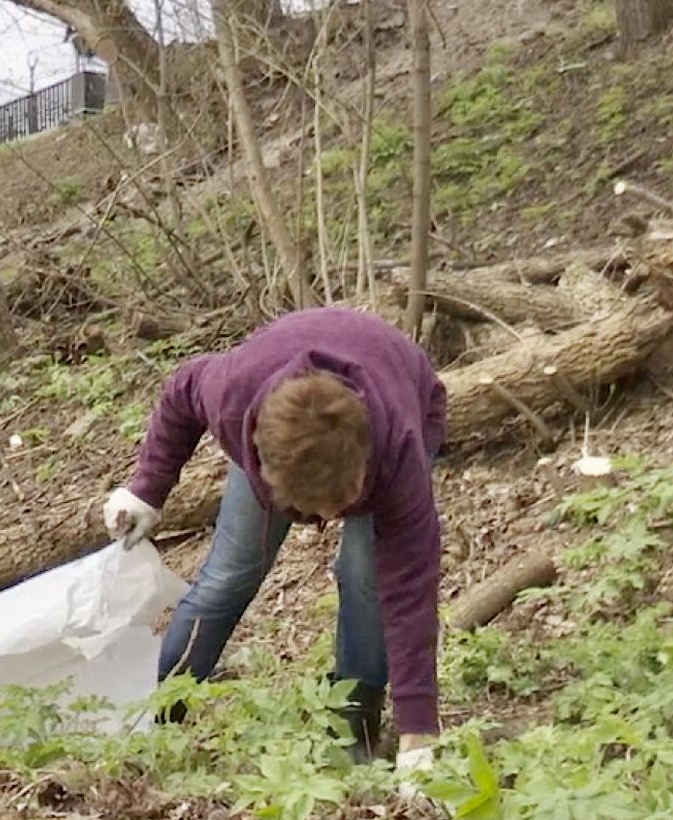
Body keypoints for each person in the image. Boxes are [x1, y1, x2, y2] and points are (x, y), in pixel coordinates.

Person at [102, 307, 446, 773]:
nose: (327, 520)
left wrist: (419, 734)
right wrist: (146, 489)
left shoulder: (398, 451)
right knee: (231, 572)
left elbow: (410, 594)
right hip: (275, 399)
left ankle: (353, 719)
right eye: (316, 509)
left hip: (398, 389)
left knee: (367, 579)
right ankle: (158, 706)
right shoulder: (232, 394)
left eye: (336, 506)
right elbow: (183, 387)